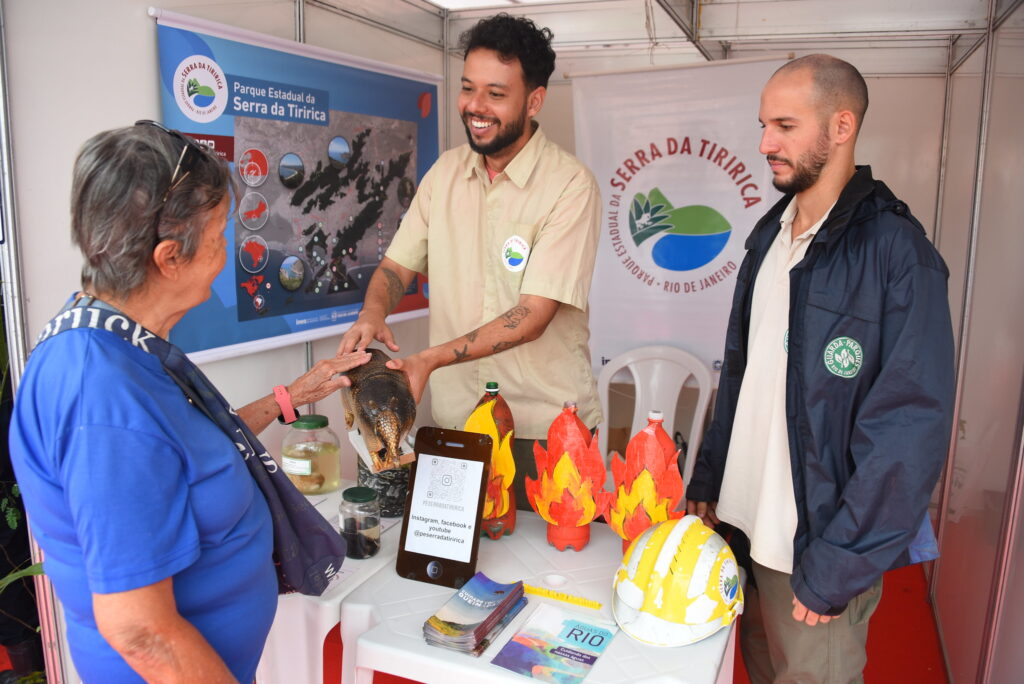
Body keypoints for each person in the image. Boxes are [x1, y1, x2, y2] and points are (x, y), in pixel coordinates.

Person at [8, 122, 370, 683]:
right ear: (171, 257)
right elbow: (142, 632)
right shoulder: (97, 393)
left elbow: (184, 452)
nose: (229, 250)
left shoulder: (119, 344)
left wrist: (290, 398)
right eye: (223, 231)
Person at [685, 55, 955, 682]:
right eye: (762, 125)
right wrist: (709, 479)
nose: (763, 144)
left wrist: (841, 561)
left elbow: (909, 430)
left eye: (783, 126)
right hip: (746, 532)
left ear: (842, 126)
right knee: (753, 667)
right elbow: (744, 375)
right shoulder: (768, 235)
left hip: (815, 548)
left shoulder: (899, 255)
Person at [338, 13, 602, 506]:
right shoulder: (445, 173)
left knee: (547, 573)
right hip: (456, 422)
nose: (475, 107)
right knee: (455, 573)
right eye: (467, 88)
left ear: (535, 99)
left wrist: (429, 359)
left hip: (542, 431)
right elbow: (396, 268)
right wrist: (372, 314)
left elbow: (533, 317)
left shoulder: (570, 186)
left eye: (496, 94)